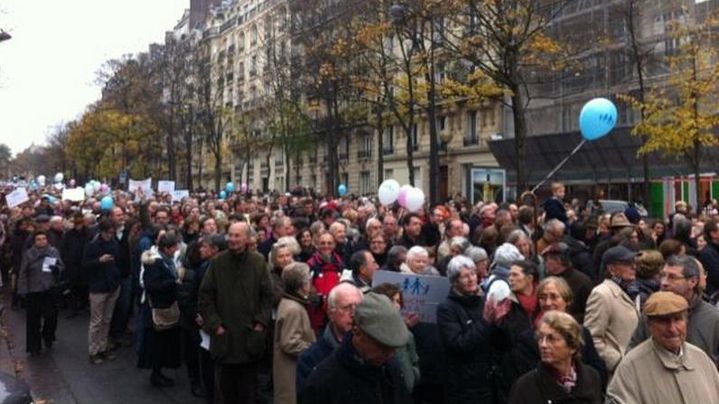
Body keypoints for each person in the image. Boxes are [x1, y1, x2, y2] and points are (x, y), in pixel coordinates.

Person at [198, 222, 274, 404]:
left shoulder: (258, 262)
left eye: (237, 236)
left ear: (247, 238)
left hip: (250, 338)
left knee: (248, 392)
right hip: (224, 339)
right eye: (230, 235)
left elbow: (267, 296)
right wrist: (216, 326)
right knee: (224, 393)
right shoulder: (218, 262)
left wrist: (260, 324)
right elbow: (205, 296)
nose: (232, 239)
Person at [606, 292, 719, 404]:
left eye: (677, 319)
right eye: (664, 321)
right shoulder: (631, 367)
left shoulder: (701, 359)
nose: (672, 329)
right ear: (649, 325)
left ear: (686, 321)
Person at [300, 292, 412, 404]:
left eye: (393, 348)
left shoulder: (390, 369)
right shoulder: (323, 381)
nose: (390, 354)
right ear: (357, 333)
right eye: (382, 346)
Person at [437, 255, 507, 404]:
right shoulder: (446, 308)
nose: (471, 279)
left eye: (473, 274)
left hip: (488, 380)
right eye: (465, 276)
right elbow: (458, 344)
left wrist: (500, 323)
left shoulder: (483, 301)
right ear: (455, 282)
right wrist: (485, 322)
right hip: (464, 386)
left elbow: (497, 342)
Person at [628, 255, 719, 364]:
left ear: (692, 281)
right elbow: (633, 351)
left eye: (672, 277)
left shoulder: (713, 318)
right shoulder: (652, 312)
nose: (664, 282)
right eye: (663, 276)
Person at [508, 311, 602, 404]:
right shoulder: (525, 387)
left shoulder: (591, 378)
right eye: (541, 338)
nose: (543, 345)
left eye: (551, 339)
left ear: (572, 347)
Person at [296, 282, 363, 392]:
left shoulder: (371, 353)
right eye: (346, 308)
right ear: (331, 313)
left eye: (358, 307)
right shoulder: (311, 358)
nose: (353, 314)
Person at [583, 245, 640, 375]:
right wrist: (617, 362)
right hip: (617, 372)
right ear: (611, 269)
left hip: (633, 368)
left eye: (634, 263)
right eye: (627, 263)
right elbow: (592, 337)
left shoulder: (632, 291)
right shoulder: (601, 294)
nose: (634, 267)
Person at [138, 231, 182, 387]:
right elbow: (151, 286)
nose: (176, 250)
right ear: (167, 248)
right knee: (157, 344)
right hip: (157, 309)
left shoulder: (167, 261)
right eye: (174, 247)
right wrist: (173, 283)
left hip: (165, 306)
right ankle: (156, 374)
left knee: (163, 344)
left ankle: (159, 372)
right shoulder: (155, 263)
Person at [273, 262, 315, 404]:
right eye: (308, 279)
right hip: (291, 371)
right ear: (302, 285)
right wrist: (312, 350)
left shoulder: (289, 303)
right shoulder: (293, 308)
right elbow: (290, 343)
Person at [17, 230, 64, 355]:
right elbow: (23, 272)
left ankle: (48, 336)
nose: (42, 241)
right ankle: (34, 347)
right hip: (33, 290)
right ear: (34, 241)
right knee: (33, 321)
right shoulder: (29, 254)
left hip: (49, 289)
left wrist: (57, 269)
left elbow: (61, 266)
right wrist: (22, 291)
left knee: (51, 317)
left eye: (44, 239)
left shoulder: (53, 251)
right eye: (39, 239)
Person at [82, 219, 122, 364]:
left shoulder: (114, 243)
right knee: (96, 321)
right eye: (108, 233)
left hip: (112, 285)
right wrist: (99, 261)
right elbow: (85, 265)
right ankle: (93, 351)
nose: (110, 235)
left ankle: (103, 347)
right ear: (102, 232)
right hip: (98, 287)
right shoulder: (92, 245)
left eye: (112, 233)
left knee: (107, 319)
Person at [372, 283, 420, 394]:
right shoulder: (372, 334)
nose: (397, 305)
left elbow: (414, 362)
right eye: (392, 300)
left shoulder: (407, 334)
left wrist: (412, 375)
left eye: (398, 301)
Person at [541, 243, 593, 323]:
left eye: (547, 259)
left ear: (559, 260)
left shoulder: (582, 282)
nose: (545, 263)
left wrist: (565, 319)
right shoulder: (547, 279)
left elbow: (590, 313)